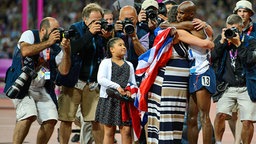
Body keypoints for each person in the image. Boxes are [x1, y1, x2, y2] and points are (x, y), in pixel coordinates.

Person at [11, 17, 71, 144]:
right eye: (54, 30)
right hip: (22, 85)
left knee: (51, 120)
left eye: (58, 30)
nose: (57, 33)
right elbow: (25, 51)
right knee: (28, 115)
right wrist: (48, 42)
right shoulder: (30, 35)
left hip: (42, 87)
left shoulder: (56, 47)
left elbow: (64, 71)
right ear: (43, 30)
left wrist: (66, 51)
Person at [58, 3, 108, 144]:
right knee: (67, 119)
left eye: (99, 20)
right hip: (74, 81)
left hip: (92, 83)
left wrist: (107, 38)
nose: (97, 24)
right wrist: (90, 33)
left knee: (96, 120)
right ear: (85, 20)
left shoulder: (102, 31)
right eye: (94, 21)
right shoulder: (75, 28)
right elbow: (72, 49)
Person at [212, 14, 256, 144]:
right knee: (220, 115)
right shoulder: (222, 40)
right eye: (229, 29)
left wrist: (239, 45)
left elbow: (249, 60)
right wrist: (221, 43)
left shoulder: (251, 41)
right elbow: (212, 58)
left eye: (235, 29)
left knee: (247, 121)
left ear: (242, 28)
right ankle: (219, 142)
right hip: (227, 87)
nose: (232, 32)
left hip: (246, 87)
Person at [96, 37, 140, 144]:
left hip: (124, 101)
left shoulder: (129, 64)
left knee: (126, 131)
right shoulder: (106, 62)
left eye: (124, 45)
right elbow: (101, 79)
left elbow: (132, 82)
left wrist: (130, 90)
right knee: (109, 131)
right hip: (109, 100)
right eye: (120, 45)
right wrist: (117, 87)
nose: (123, 47)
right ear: (112, 49)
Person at [227, 1, 256, 143]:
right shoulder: (230, 29)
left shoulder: (255, 31)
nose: (242, 14)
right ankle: (237, 139)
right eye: (239, 11)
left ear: (250, 14)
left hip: (250, 78)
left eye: (245, 11)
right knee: (231, 115)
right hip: (232, 78)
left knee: (246, 118)